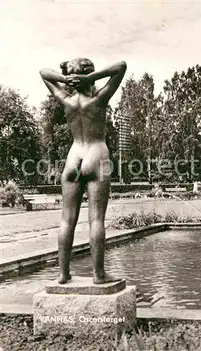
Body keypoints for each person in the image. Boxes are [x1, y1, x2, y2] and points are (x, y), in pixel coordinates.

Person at [40, 58, 127, 284]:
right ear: (88, 77)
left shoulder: (67, 101)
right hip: (96, 155)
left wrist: (65, 80)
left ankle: (63, 274)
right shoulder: (98, 100)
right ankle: (98, 275)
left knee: (66, 220)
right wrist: (91, 78)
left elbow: (44, 72)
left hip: (73, 158)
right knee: (96, 219)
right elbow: (121, 66)